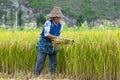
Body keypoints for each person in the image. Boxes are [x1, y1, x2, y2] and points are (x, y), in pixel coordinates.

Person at [34, 7, 68, 76]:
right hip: (44, 44)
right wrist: (57, 38)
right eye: (57, 18)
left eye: (59, 18)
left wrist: (62, 41)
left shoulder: (60, 25)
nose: (59, 19)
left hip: (53, 45)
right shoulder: (48, 23)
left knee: (53, 62)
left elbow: (59, 35)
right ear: (53, 17)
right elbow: (47, 34)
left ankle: (53, 75)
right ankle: (36, 75)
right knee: (40, 61)